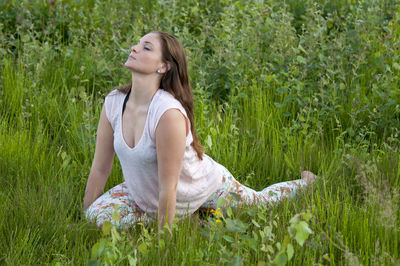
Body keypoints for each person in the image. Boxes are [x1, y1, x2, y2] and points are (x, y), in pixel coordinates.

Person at [83, 31, 317, 229]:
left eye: (146, 47)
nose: (134, 48)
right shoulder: (114, 103)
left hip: (203, 186)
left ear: (163, 66)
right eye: (137, 44)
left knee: (259, 205)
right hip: (143, 194)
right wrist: (85, 215)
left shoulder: (167, 114)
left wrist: (163, 244)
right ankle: (187, 217)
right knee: (97, 218)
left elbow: (169, 185)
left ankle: (307, 182)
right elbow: (101, 168)